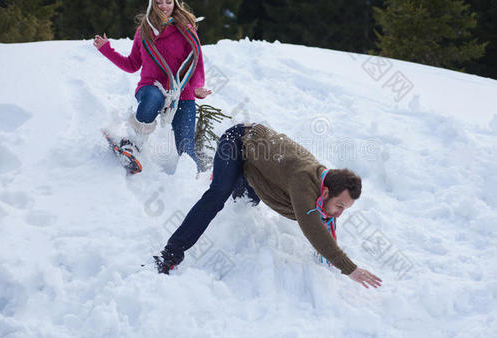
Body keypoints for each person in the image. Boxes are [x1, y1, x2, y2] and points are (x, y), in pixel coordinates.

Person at [155, 123, 383, 289]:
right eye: (340, 205)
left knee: (250, 200)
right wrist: (349, 268)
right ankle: (171, 253)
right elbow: (312, 226)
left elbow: (323, 220)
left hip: (258, 166)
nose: (339, 214)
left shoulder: (325, 182)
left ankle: (234, 177)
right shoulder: (304, 181)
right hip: (237, 142)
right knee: (217, 196)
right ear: (325, 191)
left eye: (345, 208)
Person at [93, 0, 211, 171]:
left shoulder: (187, 31)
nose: (164, 6)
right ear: (152, 4)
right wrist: (107, 50)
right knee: (153, 96)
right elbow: (132, 64)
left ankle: (197, 180)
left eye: (168, 1)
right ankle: (132, 142)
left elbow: (196, 63)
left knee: (186, 148)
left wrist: (197, 87)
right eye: (159, 2)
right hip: (151, 87)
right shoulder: (144, 32)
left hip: (181, 92)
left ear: (175, 3)